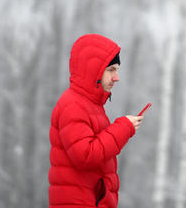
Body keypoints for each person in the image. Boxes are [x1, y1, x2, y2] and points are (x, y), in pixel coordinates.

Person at [48, 34, 144, 208]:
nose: (116, 77)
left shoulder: (90, 105)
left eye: (117, 70)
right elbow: (86, 155)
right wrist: (123, 128)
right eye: (111, 70)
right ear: (92, 69)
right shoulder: (73, 105)